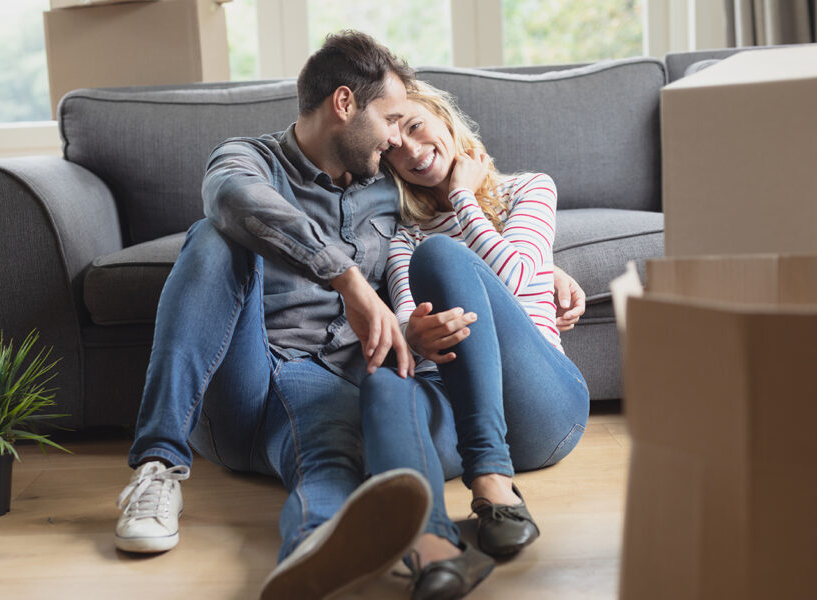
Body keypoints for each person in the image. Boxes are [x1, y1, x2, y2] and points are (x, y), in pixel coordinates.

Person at [112, 31, 586, 599]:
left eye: (404, 125)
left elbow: (448, 237)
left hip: (338, 384)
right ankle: (158, 467)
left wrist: (544, 272)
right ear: (344, 104)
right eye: (389, 119)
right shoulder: (248, 160)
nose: (395, 140)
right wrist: (348, 279)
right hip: (253, 378)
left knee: (333, 457)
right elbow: (233, 198)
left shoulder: (388, 185)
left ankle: (312, 554)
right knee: (214, 237)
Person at [357, 80, 591, 599]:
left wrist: (463, 195)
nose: (413, 152)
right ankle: (428, 543)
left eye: (416, 127)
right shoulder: (405, 237)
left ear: (445, 120)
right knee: (380, 385)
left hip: (542, 410)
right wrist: (413, 336)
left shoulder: (528, 189)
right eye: (394, 149)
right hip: (457, 416)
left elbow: (512, 275)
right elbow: (401, 329)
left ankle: (491, 478)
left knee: (441, 257)